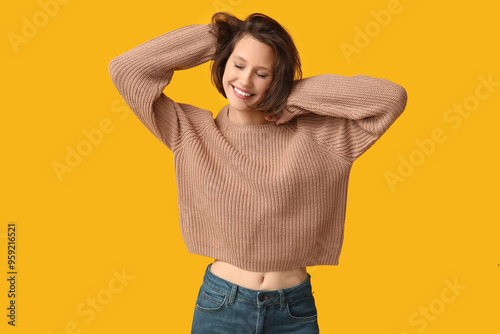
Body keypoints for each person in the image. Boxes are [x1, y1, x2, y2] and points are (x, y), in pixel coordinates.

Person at [108, 12, 407, 334]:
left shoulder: (322, 137)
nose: (245, 81)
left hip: (292, 309)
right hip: (221, 305)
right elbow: (127, 70)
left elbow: (390, 98)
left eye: (262, 73)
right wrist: (222, 35)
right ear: (223, 65)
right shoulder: (191, 132)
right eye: (237, 65)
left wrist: (293, 96)